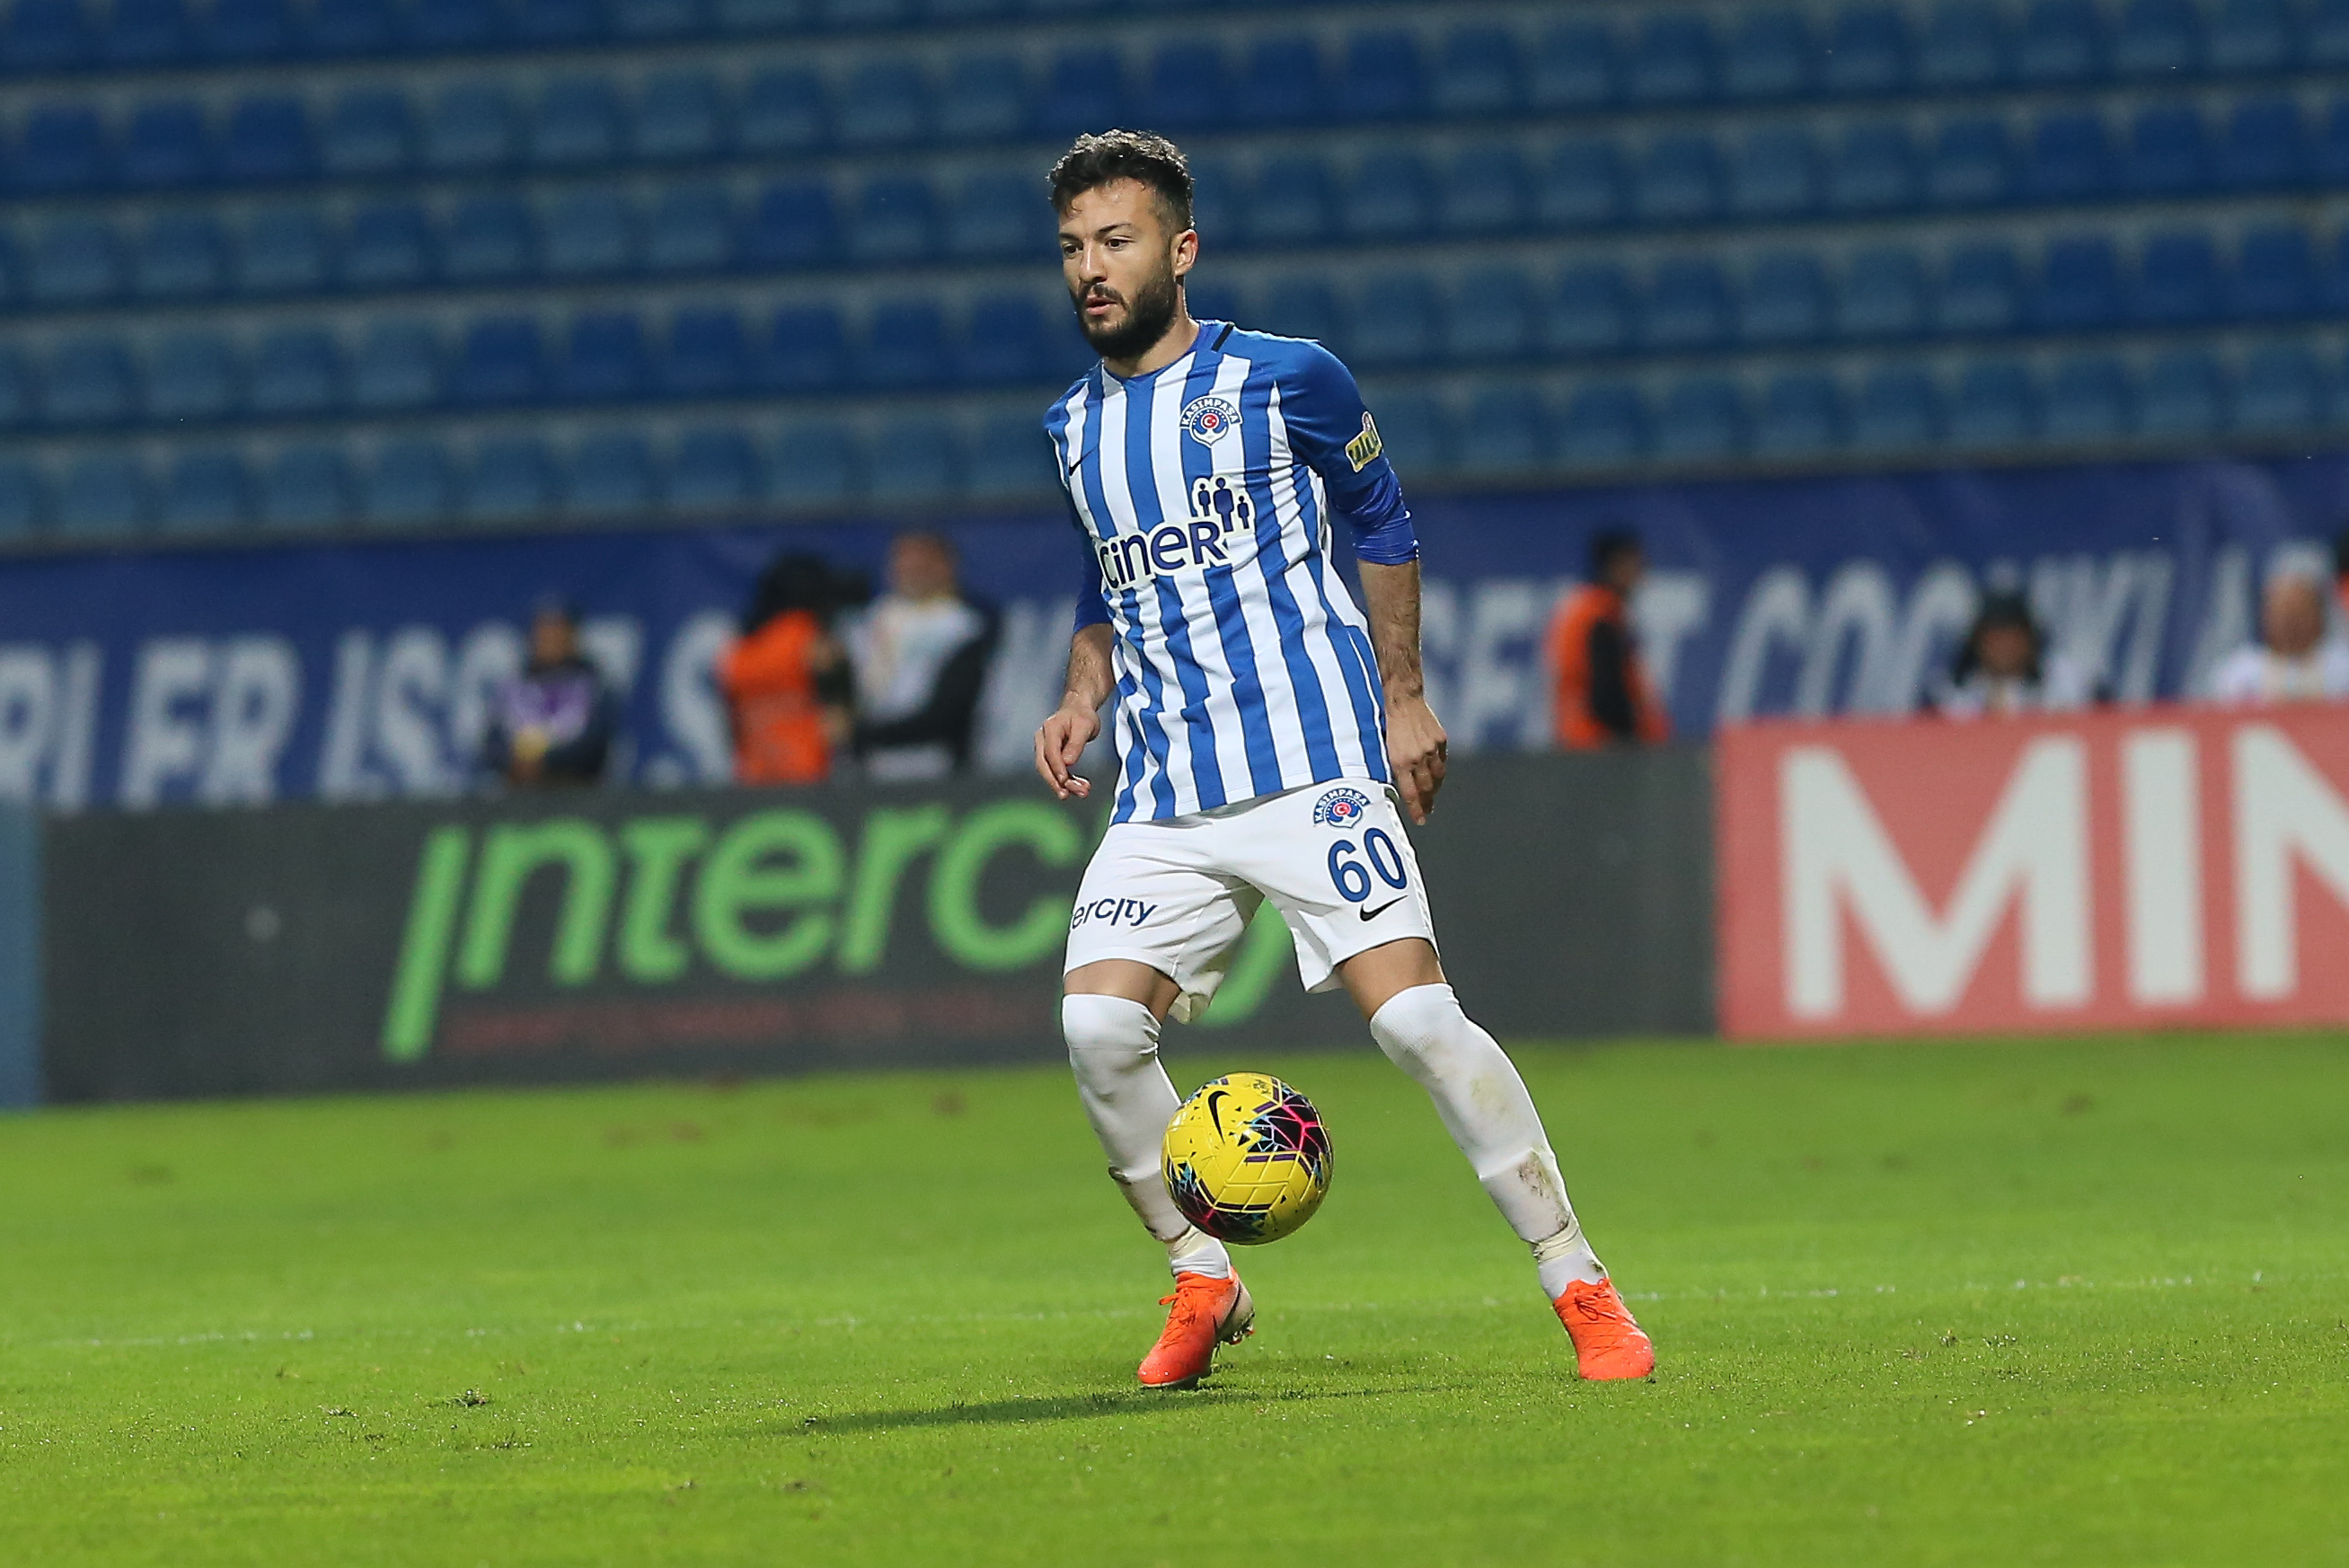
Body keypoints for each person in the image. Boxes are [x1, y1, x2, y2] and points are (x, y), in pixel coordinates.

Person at [1032, 130, 1653, 1390]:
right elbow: (1107, 582)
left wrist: (1402, 695)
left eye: (1115, 241)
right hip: (1165, 790)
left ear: (1180, 250)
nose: (1090, 268)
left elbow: (1380, 516)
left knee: (1417, 1019)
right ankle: (1201, 1276)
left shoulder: (1285, 377)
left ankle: (1577, 1279)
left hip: (1311, 763)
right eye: (1072, 247)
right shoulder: (1069, 427)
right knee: (1095, 1026)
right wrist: (1079, 691)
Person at [846, 531, 1000, 780]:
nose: (911, 572)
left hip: (933, 764)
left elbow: (948, 711)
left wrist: (861, 734)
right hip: (872, 765)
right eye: (904, 563)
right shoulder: (875, 618)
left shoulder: (962, 626)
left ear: (945, 566)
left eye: (921, 564)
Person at [720, 551, 863, 785]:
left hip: (754, 778)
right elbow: (839, 721)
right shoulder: (809, 636)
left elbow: (731, 725)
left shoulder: (737, 651)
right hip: (810, 775)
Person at [1546, 528, 1671, 748]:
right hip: (1600, 747)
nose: (1641, 576)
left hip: (1581, 742)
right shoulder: (1599, 617)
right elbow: (1606, 696)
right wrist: (1636, 739)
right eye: (1637, 566)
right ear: (1615, 566)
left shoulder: (1583, 609)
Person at [481, 597, 619, 788]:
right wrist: (514, 762)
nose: (550, 641)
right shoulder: (514, 686)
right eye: (544, 633)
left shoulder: (592, 685)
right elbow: (492, 743)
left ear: (572, 636)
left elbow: (595, 743)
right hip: (521, 792)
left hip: (575, 790)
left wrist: (546, 762)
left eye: (557, 632)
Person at [1928, 588, 2097, 718]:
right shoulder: (1948, 692)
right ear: (1977, 643)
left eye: (2012, 637)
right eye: (1994, 638)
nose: (2003, 647)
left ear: (2030, 640)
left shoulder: (2065, 681)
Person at [2208, 569, 2349, 704]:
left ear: (2318, 615)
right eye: (2282, 611)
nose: (2290, 620)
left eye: (2298, 610)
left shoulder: (2342, 670)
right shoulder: (2240, 673)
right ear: (2265, 615)